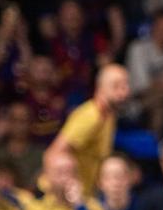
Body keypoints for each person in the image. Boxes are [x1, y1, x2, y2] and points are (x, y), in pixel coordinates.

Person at [47, 64, 130, 195]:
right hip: (65, 195)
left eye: (125, 86)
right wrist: (64, 191)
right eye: (116, 86)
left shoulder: (109, 115)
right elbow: (53, 154)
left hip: (86, 194)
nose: (124, 92)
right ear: (100, 87)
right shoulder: (90, 116)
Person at [18, 147, 110, 210]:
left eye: (70, 172)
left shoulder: (92, 206)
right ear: (47, 176)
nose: (66, 178)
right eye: (60, 172)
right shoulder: (35, 209)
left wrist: (79, 206)